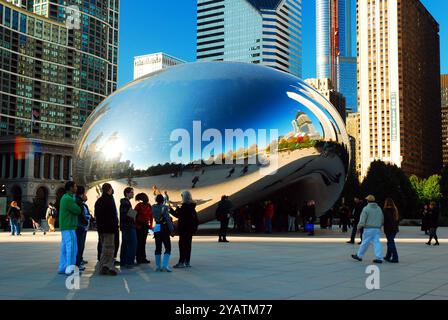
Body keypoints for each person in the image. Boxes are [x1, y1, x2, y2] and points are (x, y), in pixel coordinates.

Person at [95, 183, 119, 276]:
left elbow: (98, 216)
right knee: (108, 248)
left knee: (105, 248)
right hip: (109, 229)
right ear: (109, 189)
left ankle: (105, 266)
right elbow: (112, 216)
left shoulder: (99, 200)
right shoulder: (109, 200)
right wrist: (114, 226)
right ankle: (106, 267)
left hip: (102, 229)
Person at [170, 191, 199, 269]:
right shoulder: (192, 206)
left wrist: (171, 209)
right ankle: (187, 262)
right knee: (188, 245)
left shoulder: (184, 206)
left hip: (184, 229)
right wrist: (177, 208)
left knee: (182, 245)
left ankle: (181, 262)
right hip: (190, 229)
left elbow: (178, 215)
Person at [351, 195, 384, 264]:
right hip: (377, 229)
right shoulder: (378, 208)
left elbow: (362, 220)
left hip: (368, 228)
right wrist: (380, 226)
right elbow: (382, 218)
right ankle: (379, 257)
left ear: (367, 201)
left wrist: (358, 227)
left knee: (365, 242)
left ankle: (359, 256)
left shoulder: (366, 209)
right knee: (377, 242)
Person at [58, 181, 81, 276]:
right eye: (75, 186)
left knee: (64, 248)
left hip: (65, 226)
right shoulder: (68, 198)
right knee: (72, 248)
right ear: (71, 188)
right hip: (69, 226)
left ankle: (63, 267)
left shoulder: (65, 197)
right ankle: (70, 268)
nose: (76, 188)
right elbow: (78, 210)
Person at [152, 194, 174, 272]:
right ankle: (165, 265)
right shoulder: (164, 208)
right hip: (164, 228)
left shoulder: (153, 207)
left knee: (158, 247)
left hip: (157, 227)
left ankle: (158, 266)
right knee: (167, 247)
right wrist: (171, 230)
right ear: (163, 200)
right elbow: (168, 219)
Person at [119, 187, 137, 268]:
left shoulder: (125, 202)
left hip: (126, 226)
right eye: (132, 192)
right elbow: (127, 215)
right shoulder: (125, 203)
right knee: (132, 243)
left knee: (126, 243)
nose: (133, 194)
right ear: (127, 193)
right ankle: (129, 262)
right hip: (128, 226)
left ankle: (124, 262)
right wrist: (135, 214)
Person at [75, 186, 91, 271]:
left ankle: (79, 260)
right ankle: (77, 263)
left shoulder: (80, 202)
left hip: (81, 226)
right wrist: (86, 220)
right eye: (85, 193)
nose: (86, 195)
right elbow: (81, 215)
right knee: (79, 245)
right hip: (80, 226)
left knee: (80, 245)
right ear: (82, 194)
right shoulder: (79, 202)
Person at [134, 193, 152, 264]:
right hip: (140, 225)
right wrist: (136, 225)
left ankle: (142, 258)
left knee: (143, 242)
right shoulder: (139, 205)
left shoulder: (148, 205)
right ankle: (139, 258)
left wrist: (150, 225)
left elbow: (151, 216)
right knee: (140, 242)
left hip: (145, 226)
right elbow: (132, 215)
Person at [383, 198, 400, 263]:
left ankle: (395, 257)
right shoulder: (395, 210)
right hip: (394, 228)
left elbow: (385, 220)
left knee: (390, 242)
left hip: (388, 228)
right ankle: (388, 256)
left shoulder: (385, 210)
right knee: (390, 242)